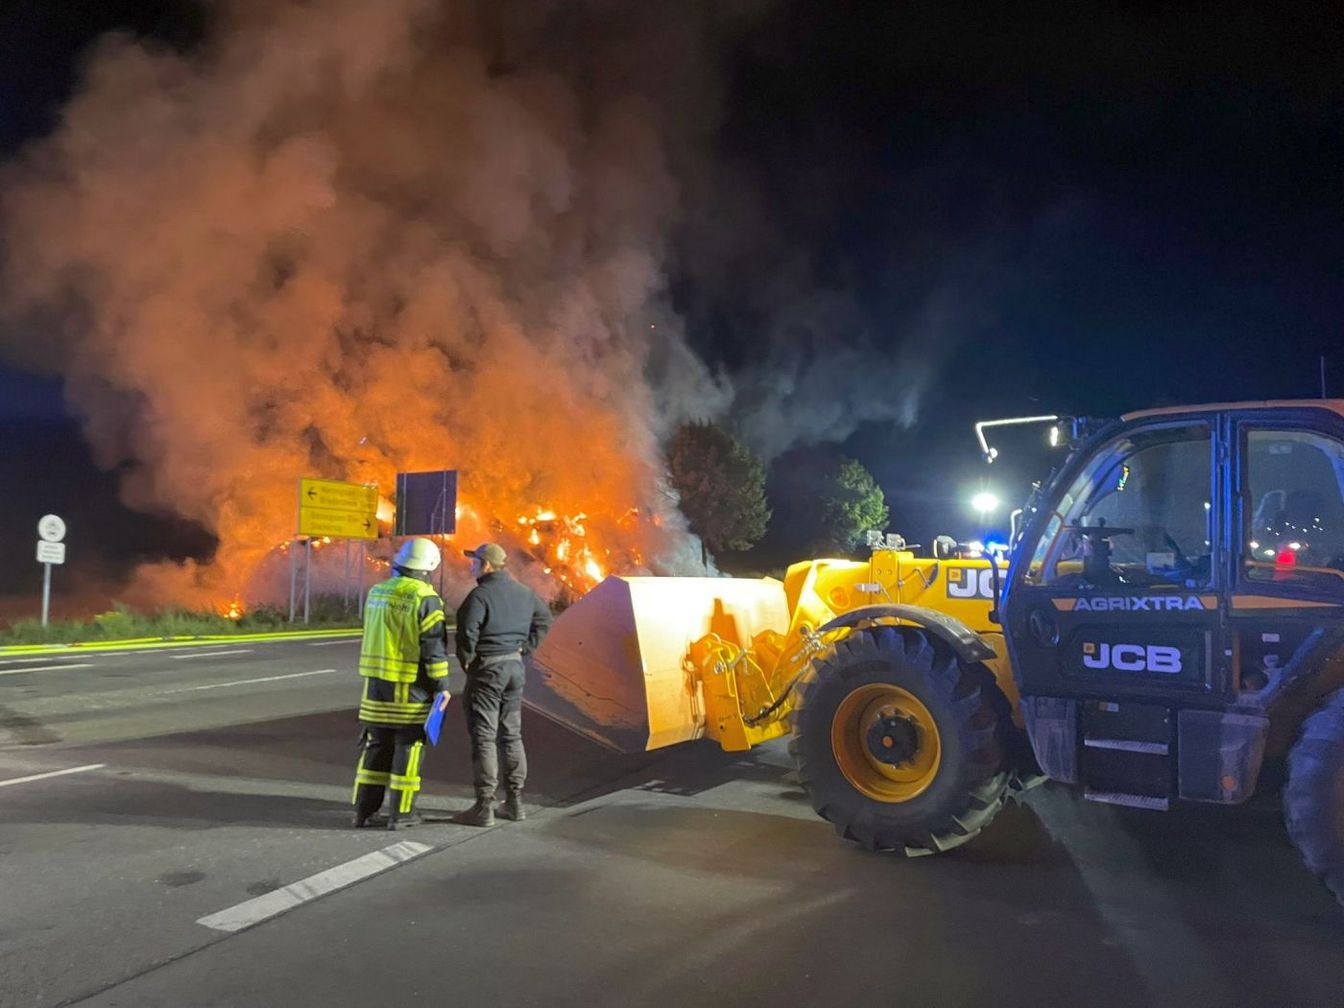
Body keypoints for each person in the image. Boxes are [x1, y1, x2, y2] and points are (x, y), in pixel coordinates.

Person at [351, 537, 450, 831]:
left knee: (375, 748)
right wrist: (441, 685)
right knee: (409, 747)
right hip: (409, 690)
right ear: (429, 566)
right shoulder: (425, 598)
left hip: (374, 689)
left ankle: (363, 812)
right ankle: (402, 814)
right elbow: (433, 648)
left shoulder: (377, 592)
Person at [453, 542, 551, 827]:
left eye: (475, 561)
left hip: (488, 670)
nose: (471, 565)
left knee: (484, 737)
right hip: (514, 669)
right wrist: (525, 648)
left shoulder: (480, 596)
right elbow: (544, 620)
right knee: (511, 735)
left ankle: (484, 806)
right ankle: (515, 802)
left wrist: (467, 660)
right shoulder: (524, 593)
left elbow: (467, 632)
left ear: (486, 565)